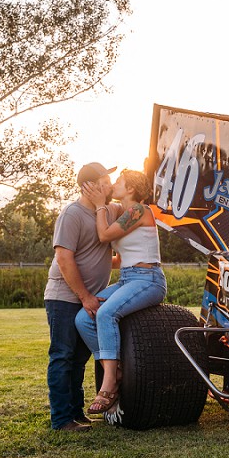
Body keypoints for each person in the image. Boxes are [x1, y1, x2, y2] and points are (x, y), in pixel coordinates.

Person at [75, 169, 167, 421]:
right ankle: (113, 370)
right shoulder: (125, 213)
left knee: (106, 313)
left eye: (118, 181)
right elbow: (120, 259)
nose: (113, 184)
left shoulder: (139, 210)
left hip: (148, 279)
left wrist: (99, 205)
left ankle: (108, 385)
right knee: (84, 318)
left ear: (130, 189)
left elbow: (104, 235)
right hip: (128, 277)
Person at [44, 162, 117, 432]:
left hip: (89, 298)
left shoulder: (103, 214)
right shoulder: (72, 214)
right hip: (66, 297)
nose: (109, 185)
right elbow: (64, 258)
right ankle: (62, 419)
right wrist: (85, 296)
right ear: (90, 186)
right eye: (105, 181)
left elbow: (99, 255)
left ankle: (76, 413)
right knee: (62, 355)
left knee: (78, 359)